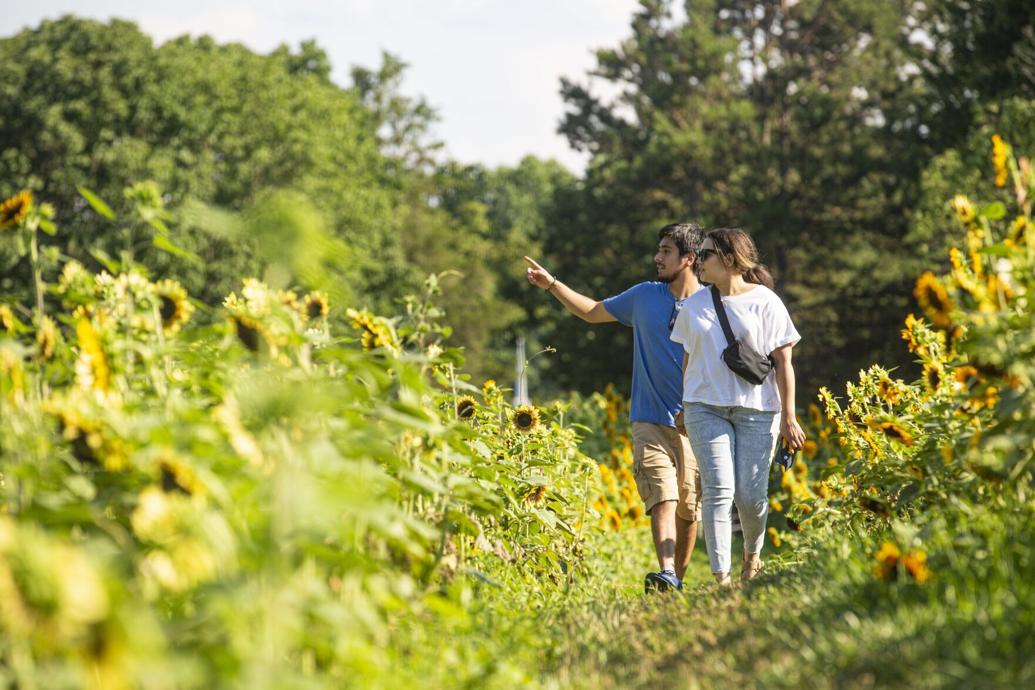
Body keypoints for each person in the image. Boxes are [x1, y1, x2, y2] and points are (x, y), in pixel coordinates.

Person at [524, 223, 704, 592]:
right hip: (649, 418)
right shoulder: (643, 297)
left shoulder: (710, 304)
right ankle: (667, 571)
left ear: (689, 259)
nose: (657, 257)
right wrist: (552, 284)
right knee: (662, 495)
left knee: (689, 507)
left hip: (696, 420)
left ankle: (678, 580)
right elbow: (591, 311)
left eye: (666, 251)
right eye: (659, 249)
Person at [669, 228, 805, 587]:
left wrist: (789, 417)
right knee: (718, 489)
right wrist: (684, 404)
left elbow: (783, 363)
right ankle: (722, 579)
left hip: (758, 409)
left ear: (730, 259)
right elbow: (688, 358)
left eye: (707, 254)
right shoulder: (693, 306)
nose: (699, 260)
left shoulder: (766, 302)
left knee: (750, 495)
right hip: (704, 407)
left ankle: (751, 557)